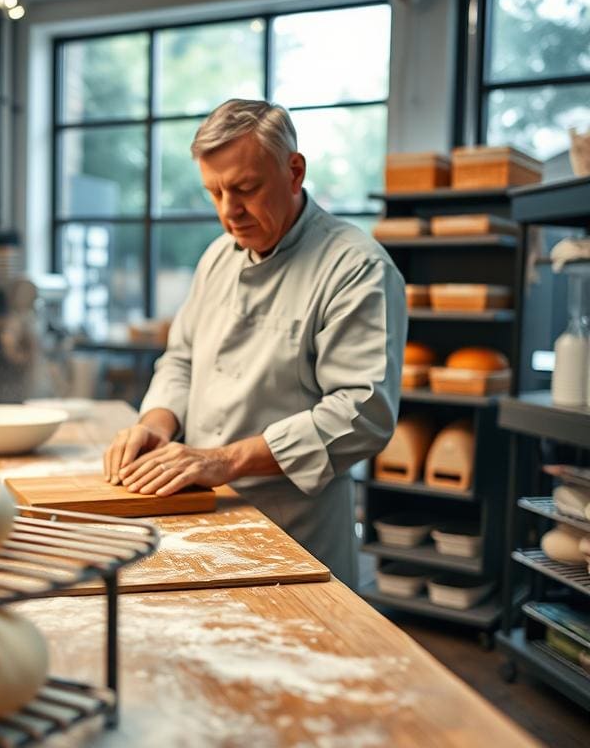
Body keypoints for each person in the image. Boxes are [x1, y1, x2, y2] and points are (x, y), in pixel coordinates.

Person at [102, 99, 406, 587]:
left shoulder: (355, 267)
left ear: (294, 171)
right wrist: (157, 424)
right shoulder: (218, 257)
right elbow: (181, 359)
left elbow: (362, 412)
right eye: (215, 192)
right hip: (201, 515)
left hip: (295, 533)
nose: (229, 212)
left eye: (245, 188)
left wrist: (222, 460)